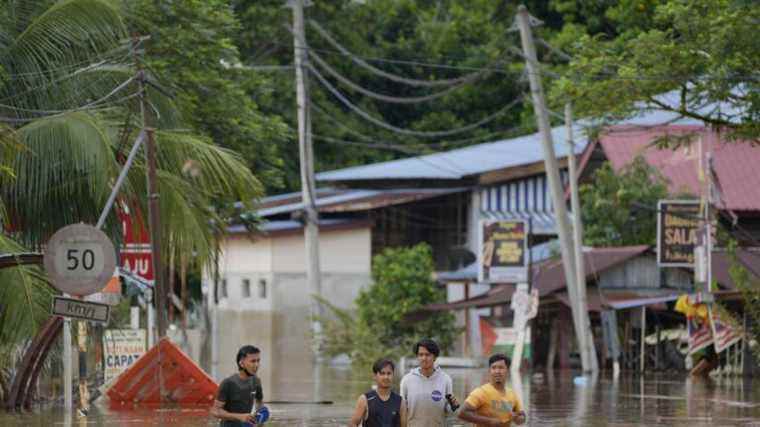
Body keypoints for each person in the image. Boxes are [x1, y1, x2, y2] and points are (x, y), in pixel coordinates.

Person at [400, 339, 459, 427]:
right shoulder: (407, 380)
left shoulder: (445, 380)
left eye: (427, 355)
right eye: (421, 355)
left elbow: (448, 410)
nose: (424, 358)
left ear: (435, 357)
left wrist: (453, 406)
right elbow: (402, 411)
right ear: (417, 356)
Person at [458, 354, 526, 427]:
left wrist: (518, 419)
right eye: (493, 368)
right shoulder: (481, 392)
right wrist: (489, 421)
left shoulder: (512, 394)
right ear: (489, 371)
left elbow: (522, 416)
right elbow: (462, 413)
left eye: (501, 368)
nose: (497, 371)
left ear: (508, 371)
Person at [211, 345, 265, 426]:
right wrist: (239, 417)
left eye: (258, 361)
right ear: (241, 363)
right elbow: (215, 411)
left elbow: (259, 403)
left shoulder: (256, 381)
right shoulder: (228, 383)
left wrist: (261, 417)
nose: (257, 365)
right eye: (253, 361)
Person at [348, 358, 407, 427]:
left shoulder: (400, 402)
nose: (386, 377)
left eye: (389, 373)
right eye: (382, 373)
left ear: (393, 375)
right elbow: (353, 424)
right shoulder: (365, 399)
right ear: (375, 376)